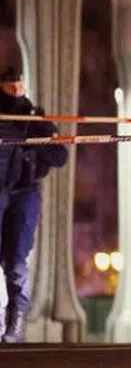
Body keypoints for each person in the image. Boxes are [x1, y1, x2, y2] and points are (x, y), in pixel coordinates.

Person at [0, 67, 64, 343]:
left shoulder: (35, 115)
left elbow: (60, 155)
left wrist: (36, 141)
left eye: (19, 83)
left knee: (16, 260)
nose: (15, 88)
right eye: (9, 84)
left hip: (25, 191)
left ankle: (16, 318)